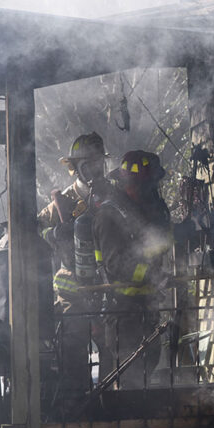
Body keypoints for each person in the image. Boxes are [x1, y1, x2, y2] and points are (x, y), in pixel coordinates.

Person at [37, 131, 112, 405]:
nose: (95, 169)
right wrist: (53, 234)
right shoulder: (63, 201)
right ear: (76, 167)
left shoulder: (114, 195)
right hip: (72, 292)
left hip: (110, 286)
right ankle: (78, 404)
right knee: (72, 350)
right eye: (88, 164)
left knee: (113, 349)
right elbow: (35, 228)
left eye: (98, 162)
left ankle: (111, 401)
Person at [92, 150, 172, 389]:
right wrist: (152, 275)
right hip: (123, 313)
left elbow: (157, 248)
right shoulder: (110, 215)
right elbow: (115, 263)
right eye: (151, 185)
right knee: (131, 381)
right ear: (135, 185)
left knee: (148, 368)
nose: (155, 192)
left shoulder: (143, 214)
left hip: (146, 309)